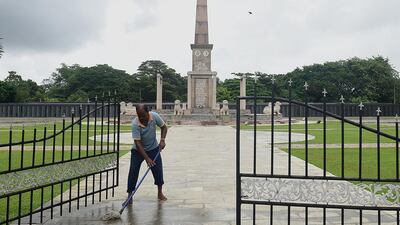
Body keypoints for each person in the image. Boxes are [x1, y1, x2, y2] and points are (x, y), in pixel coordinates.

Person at [127, 104, 168, 201]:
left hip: (153, 148)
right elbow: (138, 143)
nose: (142, 118)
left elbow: (164, 127)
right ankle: (130, 194)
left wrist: (162, 140)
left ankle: (160, 192)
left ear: (148, 112)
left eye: (143, 115)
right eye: (139, 115)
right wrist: (147, 159)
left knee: (158, 170)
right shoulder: (135, 123)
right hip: (138, 151)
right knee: (133, 171)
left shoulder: (154, 116)